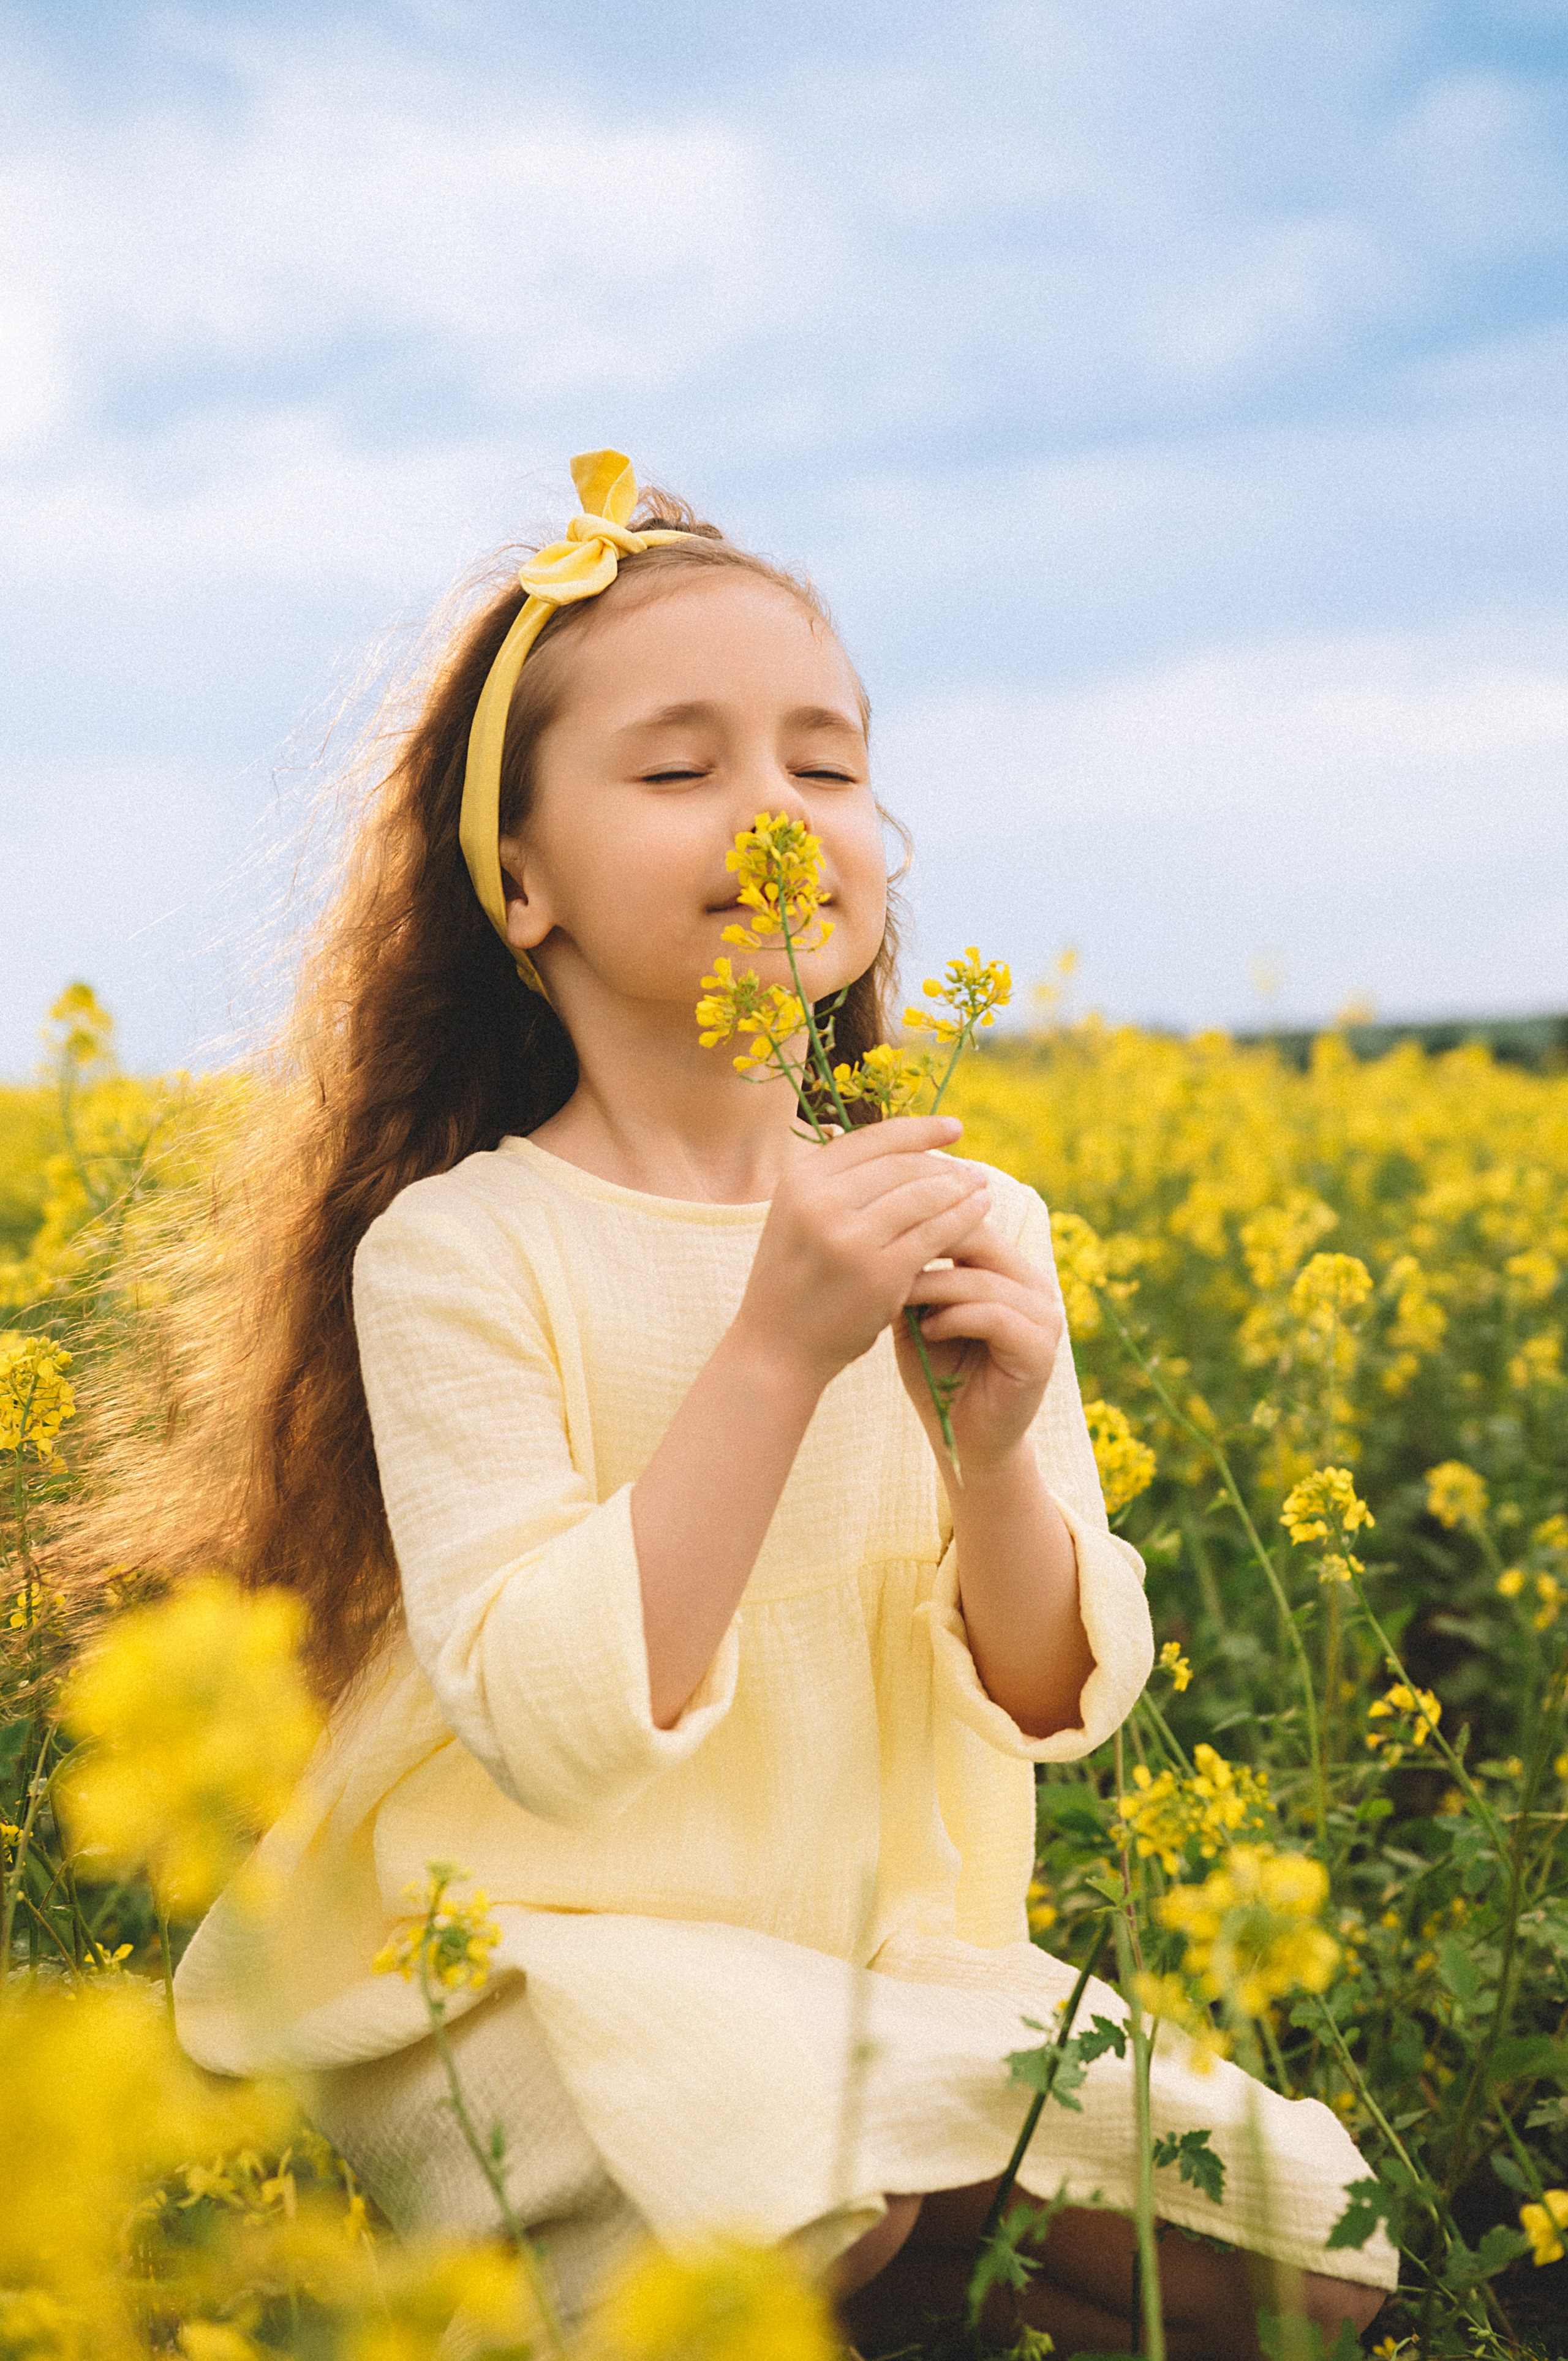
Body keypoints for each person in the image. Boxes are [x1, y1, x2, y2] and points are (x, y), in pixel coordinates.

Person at [171, 452, 1395, 2355]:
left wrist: (994, 1456)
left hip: (876, 1973)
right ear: (521, 883)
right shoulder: (459, 1253)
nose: (774, 821)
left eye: (825, 769)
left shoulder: (968, 1214)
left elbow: (1062, 1693)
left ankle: (928, 2233)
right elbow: (562, 1734)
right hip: (535, 1977)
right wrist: (773, 1351)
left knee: (1317, 2268)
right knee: (794, 2199)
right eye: (680, 772)